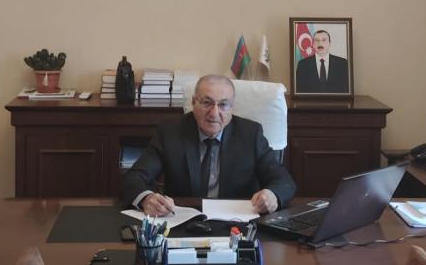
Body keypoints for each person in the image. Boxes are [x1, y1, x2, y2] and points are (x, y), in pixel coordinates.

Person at [120, 75, 296, 217]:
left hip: (237, 224)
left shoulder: (251, 134)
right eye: (207, 103)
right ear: (193, 103)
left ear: (232, 108)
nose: (214, 113)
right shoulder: (170, 132)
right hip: (182, 222)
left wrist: (273, 195)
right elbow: (134, 177)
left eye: (223, 105)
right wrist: (146, 199)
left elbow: (284, 181)